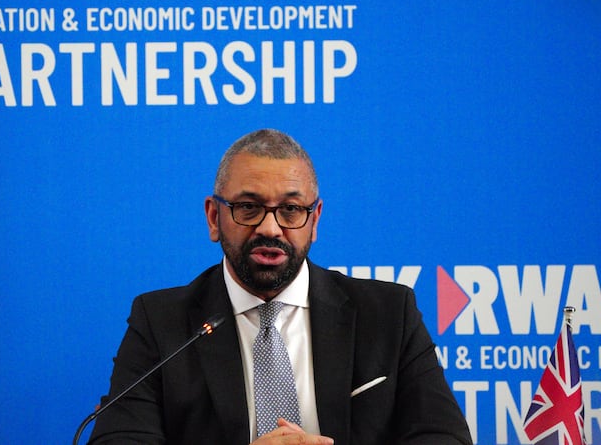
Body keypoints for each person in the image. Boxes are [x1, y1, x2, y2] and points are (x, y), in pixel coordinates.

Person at [88, 129, 472, 445]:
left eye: (290, 209)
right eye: (248, 208)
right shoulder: (161, 323)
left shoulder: (389, 313)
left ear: (315, 219)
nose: (270, 229)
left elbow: (444, 438)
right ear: (213, 217)